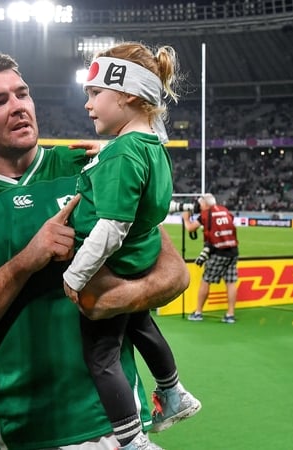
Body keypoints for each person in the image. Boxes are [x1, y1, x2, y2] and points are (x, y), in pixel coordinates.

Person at [0, 51, 191, 450]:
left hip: (117, 431)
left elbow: (174, 272)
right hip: (23, 434)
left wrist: (121, 297)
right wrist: (24, 264)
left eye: (22, 94)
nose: (17, 107)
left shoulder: (87, 166)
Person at [60, 42, 201, 450]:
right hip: (142, 260)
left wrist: (76, 273)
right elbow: (141, 146)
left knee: (101, 357)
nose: (87, 105)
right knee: (141, 324)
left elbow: (112, 226)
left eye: (95, 93)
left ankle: (131, 439)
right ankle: (173, 392)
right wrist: (110, 151)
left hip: (114, 267)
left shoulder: (124, 153)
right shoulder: (153, 146)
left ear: (127, 95)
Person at [183, 193, 240, 323]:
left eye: (201, 204)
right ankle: (230, 314)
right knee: (230, 282)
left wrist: (186, 219)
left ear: (206, 204)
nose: (199, 206)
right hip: (233, 251)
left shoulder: (206, 214)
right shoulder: (225, 211)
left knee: (205, 280)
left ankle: (198, 312)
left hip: (218, 252)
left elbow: (190, 228)